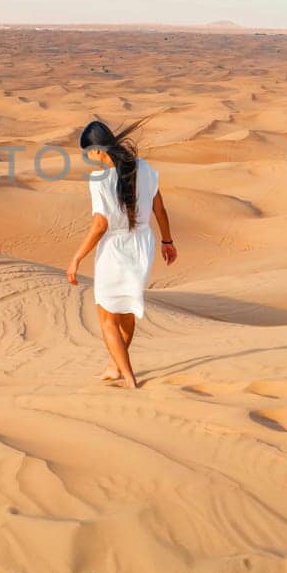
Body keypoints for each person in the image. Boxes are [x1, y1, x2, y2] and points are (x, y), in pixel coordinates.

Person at [66, 118, 177, 387]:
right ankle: (114, 367)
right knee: (125, 310)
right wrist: (167, 241)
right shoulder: (146, 170)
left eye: (87, 152)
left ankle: (128, 377)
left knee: (106, 317)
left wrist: (76, 257)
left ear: (97, 151)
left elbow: (101, 224)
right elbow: (159, 209)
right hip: (143, 243)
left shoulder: (99, 178)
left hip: (116, 247)